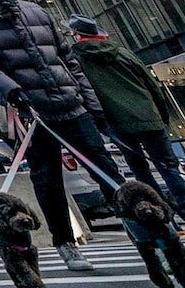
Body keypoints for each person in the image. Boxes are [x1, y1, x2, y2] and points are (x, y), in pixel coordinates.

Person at [0, 0, 118, 271]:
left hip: (72, 105)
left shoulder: (36, 12)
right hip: (33, 112)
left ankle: (146, 237)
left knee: (107, 169)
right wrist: (12, 90)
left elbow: (69, 62)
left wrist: (92, 105)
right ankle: (65, 244)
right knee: (48, 181)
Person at [67, 14, 185, 207]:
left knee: (140, 171)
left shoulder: (77, 60)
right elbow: (152, 85)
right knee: (169, 167)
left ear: (77, 35)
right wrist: (162, 116)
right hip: (148, 115)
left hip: (115, 122)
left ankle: (159, 213)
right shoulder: (123, 53)